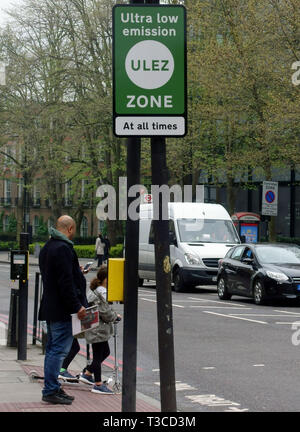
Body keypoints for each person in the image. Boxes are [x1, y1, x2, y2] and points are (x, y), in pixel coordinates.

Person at [38, 215, 87, 405]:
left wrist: (77, 272)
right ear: (70, 229)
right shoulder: (64, 249)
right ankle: (50, 390)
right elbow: (65, 283)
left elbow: (58, 276)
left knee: (53, 349)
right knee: (58, 351)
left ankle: (53, 387)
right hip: (63, 310)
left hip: (51, 307)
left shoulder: (48, 247)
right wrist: (77, 306)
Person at [79, 266, 120, 394]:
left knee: (105, 352)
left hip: (96, 328)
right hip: (98, 329)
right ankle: (97, 384)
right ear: (106, 279)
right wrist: (115, 316)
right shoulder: (102, 292)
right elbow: (104, 311)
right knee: (98, 356)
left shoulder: (96, 290)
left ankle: (87, 373)